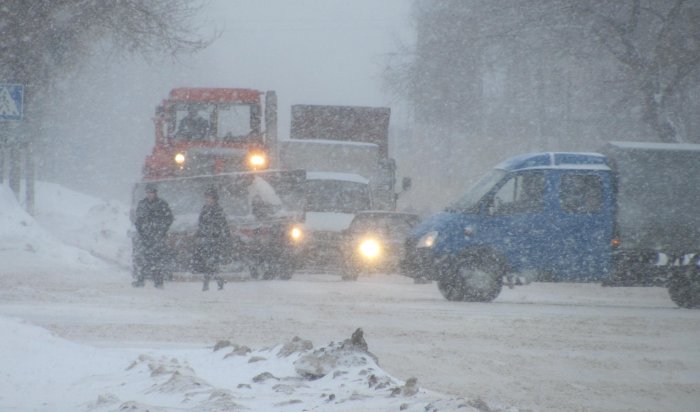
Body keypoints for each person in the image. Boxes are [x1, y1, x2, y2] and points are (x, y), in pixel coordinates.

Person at [132, 183, 174, 288]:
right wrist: (142, 232)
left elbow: (169, 219)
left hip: (157, 237)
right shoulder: (142, 204)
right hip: (146, 237)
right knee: (145, 259)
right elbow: (138, 220)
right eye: (148, 192)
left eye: (152, 192)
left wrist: (161, 231)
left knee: (157, 260)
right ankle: (141, 280)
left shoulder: (162, 204)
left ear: (155, 193)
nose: (150, 194)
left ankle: (158, 282)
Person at [193, 186, 231, 291]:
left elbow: (223, 225)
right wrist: (200, 234)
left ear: (214, 198)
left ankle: (208, 283)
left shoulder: (218, 210)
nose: (208, 199)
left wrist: (219, 235)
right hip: (206, 240)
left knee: (210, 262)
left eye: (210, 197)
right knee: (208, 262)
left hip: (215, 240)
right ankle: (218, 281)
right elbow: (200, 223)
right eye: (207, 197)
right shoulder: (204, 209)